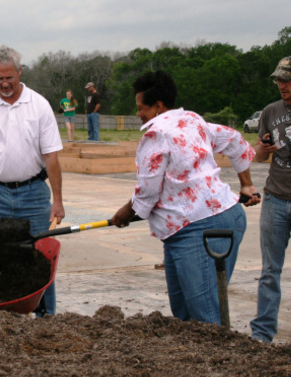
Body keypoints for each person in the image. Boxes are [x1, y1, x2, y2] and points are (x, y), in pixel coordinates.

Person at [111, 70, 260, 326]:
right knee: (183, 315)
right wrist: (246, 185)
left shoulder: (155, 134)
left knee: (205, 319)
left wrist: (126, 212)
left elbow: (147, 192)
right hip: (219, 221)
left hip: (198, 229)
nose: (138, 114)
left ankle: (218, 362)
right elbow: (236, 141)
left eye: (140, 108)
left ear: (158, 106)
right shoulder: (192, 119)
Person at [0, 45, 65, 317]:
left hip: (33, 194)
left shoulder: (39, 106)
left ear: (20, 72)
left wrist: (57, 200)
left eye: (10, 77)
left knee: (40, 258)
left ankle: (45, 318)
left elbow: (52, 157)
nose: (5, 83)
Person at [250, 56, 291, 344]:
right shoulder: (270, 111)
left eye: (287, 79)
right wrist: (264, 147)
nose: (282, 85)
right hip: (275, 198)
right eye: (279, 79)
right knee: (269, 271)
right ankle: (262, 335)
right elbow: (259, 155)